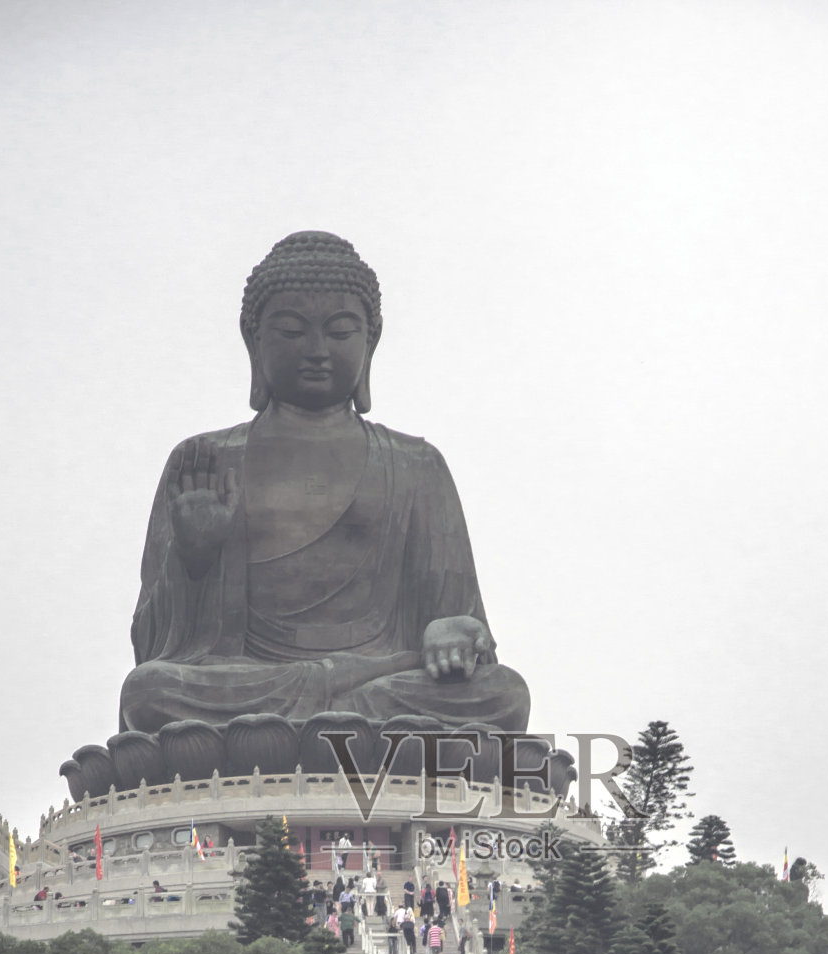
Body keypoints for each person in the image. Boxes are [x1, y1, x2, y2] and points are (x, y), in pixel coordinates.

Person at [119, 232, 530, 737]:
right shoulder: (204, 460)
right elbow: (153, 645)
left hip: (382, 679)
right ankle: (329, 730)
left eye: (339, 332)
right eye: (291, 332)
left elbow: (461, 628)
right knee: (150, 691)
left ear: (370, 342)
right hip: (251, 683)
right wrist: (194, 558)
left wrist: (455, 631)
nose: (316, 350)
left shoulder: (416, 464)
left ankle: (312, 729)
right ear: (254, 341)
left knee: (505, 695)